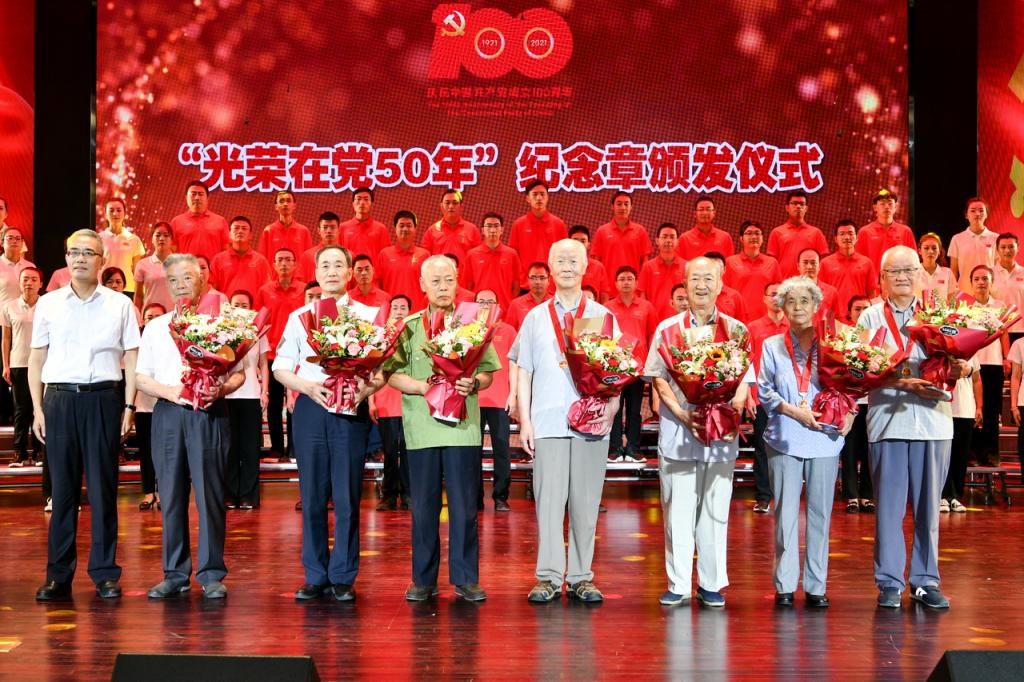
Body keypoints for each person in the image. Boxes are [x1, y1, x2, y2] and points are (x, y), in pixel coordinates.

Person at [30, 229, 140, 601]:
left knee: (103, 489)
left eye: (88, 253)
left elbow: (132, 357)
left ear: (102, 260)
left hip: (104, 400)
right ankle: (58, 575)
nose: (79, 258)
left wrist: (129, 405)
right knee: (62, 491)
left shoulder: (120, 304)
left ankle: (105, 573)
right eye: (73, 252)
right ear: (66, 258)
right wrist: (37, 408)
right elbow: (37, 358)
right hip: (59, 401)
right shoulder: (48, 303)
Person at [858, 245, 968, 610]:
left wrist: (962, 368)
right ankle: (889, 582)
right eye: (895, 271)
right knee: (888, 511)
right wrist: (904, 383)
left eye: (909, 270)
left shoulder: (941, 315)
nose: (903, 277)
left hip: (934, 423)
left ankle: (925, 580)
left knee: (928, 510)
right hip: (888, 422)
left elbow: (966, 361)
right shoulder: (870, 317)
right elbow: (861, 371)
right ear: (882, 278)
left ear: (921, 274)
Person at [384, 255, 499, 602]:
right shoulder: (409, 326)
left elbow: (488, 372)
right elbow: (391, 374)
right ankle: (423, 579)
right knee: (423, 507)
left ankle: (466, 578)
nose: (443, 287)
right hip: (422, 429)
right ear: (422, 285)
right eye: (435, 281)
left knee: (464, 507)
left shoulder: (472, 324)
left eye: (449, 280)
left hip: (463, 428)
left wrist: (474, 383)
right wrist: (422, 387)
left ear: (457, 280)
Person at [274, 244, 385, 602]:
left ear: (350, 273)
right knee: (312, 496)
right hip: (311, 407)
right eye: (325, 265)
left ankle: (343, 575)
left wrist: (364, 390)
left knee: (347, 494)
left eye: (339, 265)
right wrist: (307, 387)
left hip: (350, 409)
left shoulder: (368, 316)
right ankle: (315, 573)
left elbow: (383, 370)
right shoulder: (299, 317)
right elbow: (280, 367)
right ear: (316, 273)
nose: (332, 271)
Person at [511, 239, 619, 604]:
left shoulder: (603, 316)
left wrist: (611, 410)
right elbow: (524, 370)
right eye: (561, 260)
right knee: (549, 503)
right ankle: (548, 576)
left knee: (586, 505)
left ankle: (581, 576)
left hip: (591, 424)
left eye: (574, 260)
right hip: (548, 420)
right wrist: (525, 421)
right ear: (550, 268)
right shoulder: (535, 317)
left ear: (586, 266)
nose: (568, 266)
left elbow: (617, 371)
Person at [136, 254, 244, 600]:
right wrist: (170, 392)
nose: (180, 285)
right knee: (170, 495)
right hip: (169, 413)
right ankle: (174, 573)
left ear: (201, 281)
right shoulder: (156, 327)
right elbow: (141, 377)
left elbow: (239, 373)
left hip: (209, 413)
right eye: (173, 280)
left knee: (210, 494)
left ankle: (211, 573)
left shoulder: (221, 324)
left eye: (187, 278)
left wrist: (221, 389)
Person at [645, 257, 751, 608]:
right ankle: (677, 583)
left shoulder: (736, 330)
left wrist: (732, 411)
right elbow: (657, 377)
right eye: (695, 279)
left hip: (720, 433)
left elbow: (744, 381)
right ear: (684, 284)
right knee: (677, 509)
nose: (701, 285)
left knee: (715, 509)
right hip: (679, 429)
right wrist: (681, 413)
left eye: (708, 279)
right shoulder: (667, 328)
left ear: (720, 285)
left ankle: (711, 583)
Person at [758, 276, 851, 607]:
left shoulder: (833, 343)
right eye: (791, 301)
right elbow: (764, 391)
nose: (798, 307)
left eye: (804, 301)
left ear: (816, 306)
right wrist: (794, 412)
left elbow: (852, 385)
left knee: (820, 514)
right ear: (782, 308)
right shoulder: (771, 345)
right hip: (784, 435)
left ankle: (816, 585)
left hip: (825, 437)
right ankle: (784, 585)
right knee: (785, 514)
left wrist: (851, 415)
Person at [604, 265, 658, 463]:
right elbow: (603, 336)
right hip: (615, 368)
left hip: (638, 368)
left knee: (635, 410)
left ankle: (634, 448)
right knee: (615, 409)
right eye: (622, 279)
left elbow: (652, 335)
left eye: (629, 279)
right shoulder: (607, 307)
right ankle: (615, 448)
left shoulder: (647, 307)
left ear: (636, 283)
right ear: (616, 283)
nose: (626, 282)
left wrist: (651, 364)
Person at [258, 248, 306, 461]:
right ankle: (277, 447)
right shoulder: (264, 291)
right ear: (274, 265)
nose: (284, 263)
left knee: (297, 401)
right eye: (280, 260)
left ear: (295, 264)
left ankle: (295, 447)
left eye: (288, 259)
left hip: (299, 354)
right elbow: (260, 322)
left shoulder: (303, 290)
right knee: (275, 404)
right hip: (272, 354)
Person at [224, 290, 270, 510]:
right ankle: (230, 494)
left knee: (250, 448)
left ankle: (249, 496)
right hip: (227, 395)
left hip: (251, 394)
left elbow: (263, 363)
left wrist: (265, 391)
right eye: (236, 305)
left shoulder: (258, 331)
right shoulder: (221, 331)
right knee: (229, 448)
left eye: (244, 305)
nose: (240, 309)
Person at [745, 281, 788, 513]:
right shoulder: (753, 327)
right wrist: (749, 396)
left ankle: (785, 494)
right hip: (761, 397)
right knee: (762, 447)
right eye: (772, 294)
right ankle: (763, 496)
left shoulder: (793, 325)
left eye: (780, 294)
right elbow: (747, 363)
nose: (776, 298)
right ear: (764, 298)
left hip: (789, 397)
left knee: (787, 446)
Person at [475, 289, 516, 511]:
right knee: (473, 450)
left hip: (500, 400)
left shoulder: (508, 331)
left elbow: (515, 366)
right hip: (473, 398)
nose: (485, 305)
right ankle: (475, 497)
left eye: (490, 301)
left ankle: (501, 496)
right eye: (481, 301)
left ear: (498, 305)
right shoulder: (468, 330)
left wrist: (513, 394)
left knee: (502, 449)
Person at [372, 295, 412, 511]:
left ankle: (408, 495)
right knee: (389, 450)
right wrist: (371, 401)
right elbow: (371, 369)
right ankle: (388, 495)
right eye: (395, 307)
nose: (398, 311)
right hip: (385, 400)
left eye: (403, 307)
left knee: (407, 450)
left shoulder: (414, 334)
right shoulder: (380, 336)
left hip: (409, 399)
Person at [968, 265, 1008, 467]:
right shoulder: (965, 306)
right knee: (972, 408)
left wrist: (1006, 357)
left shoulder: (1000, 306)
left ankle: (992, 452)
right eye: (977, 279)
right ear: (971, 283)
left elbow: (1004, 333)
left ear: (992, 282)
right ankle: (972, 452)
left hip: (994, 362)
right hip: (973, 364)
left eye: (985, 279)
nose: (981, 283)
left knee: (992, 410)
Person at [3, 267, 42, 467]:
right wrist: (6, 365)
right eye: (25, 279)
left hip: (42, 364)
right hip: (19, 363)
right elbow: (6, 338)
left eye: (34, 279)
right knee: (21, 409)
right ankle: (19, 453)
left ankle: (39, 452)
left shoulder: (47, 305)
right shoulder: (9, 306)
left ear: (40, 284)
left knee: (39, 408)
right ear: (19, 283)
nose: (29, 283)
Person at [840, 295, 875, 512]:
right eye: (857, 309)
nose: (862, 313)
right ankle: (851, 496)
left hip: (873, 400)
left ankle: (868, 495)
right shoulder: (843, 338)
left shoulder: (879, 336)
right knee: (850, 449)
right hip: (850, 401)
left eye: (866, 308)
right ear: (850, 313)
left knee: (870, 448)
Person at [0, 225, 34, 425]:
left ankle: (19, 414)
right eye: (10, 238)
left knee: (18, 372)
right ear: (2, 242)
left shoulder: (28, 266)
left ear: (22, 244)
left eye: (18, 238)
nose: (14, 241)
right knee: (3, 369)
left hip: (23, 320)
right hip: (2, 321)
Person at [134, 302, 166, 510]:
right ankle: (148, 491)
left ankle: (163, 492)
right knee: (146, 451)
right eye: (149, 317)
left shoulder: (172, 341)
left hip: (165, 405)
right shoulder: (136, 344)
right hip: (143, 406)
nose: (153, 321)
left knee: (165, 452)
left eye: (158, 317)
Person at [508, 181, 567, 289]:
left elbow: (564, 256)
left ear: (547, 197)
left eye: (542, 194)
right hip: (525, 284)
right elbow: (513, 257)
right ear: (528, 198)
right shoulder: (518, 224)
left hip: (552, 285)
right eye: (535, 194)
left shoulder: (558, 224)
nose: (539, 198)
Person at [591, 191, 652, 291]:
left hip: (633, 289)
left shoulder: (640, 231)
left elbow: (645, 262)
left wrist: (641, 286)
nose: (623, 207)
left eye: (626, 204)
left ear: (631, 207)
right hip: (608, 289)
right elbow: (596, 263)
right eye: (619, 204)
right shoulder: (602, 231)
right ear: (612, 207)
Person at [943, 355, 981, 513]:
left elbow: (977, 380)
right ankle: (942, 496)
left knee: (960, 456)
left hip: (965, 410)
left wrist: (979, 407)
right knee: (944, 456)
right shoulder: (938, 351)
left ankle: (955, 496)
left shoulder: (971, 353)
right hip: (944, 409)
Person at [724, 221, 782, 322]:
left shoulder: (772, 263)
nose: (754, 236)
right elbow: (725, 293)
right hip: (738, 320)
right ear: (741, 239)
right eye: (749, 233)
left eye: (757, 233)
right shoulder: (730, 262)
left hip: (765, 320)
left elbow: (778, 293)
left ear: (762, 238)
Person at [462, 212, 521, 311]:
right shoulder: (471, 255)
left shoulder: (512, 254)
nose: (492, 230)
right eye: (489, 226)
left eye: (496, 226)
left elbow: (516, 286)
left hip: (504, 310)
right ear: (482, 230)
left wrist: (508, 303)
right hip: (479, 310)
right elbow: (467, 286)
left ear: (502, 230)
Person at [210, 216, 273, 306]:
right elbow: (212, 290)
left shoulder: (261, 261)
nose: (240, 231)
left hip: (252, 312)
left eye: (244, 228)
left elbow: (267, 292)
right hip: (226, 312)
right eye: (236, 228)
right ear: (229, 234)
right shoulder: (218, 260)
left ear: (250, 235)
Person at [378, 210, 431, 311]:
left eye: (409, 225)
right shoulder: (384, 254)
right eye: (401, 225)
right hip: (391, 313)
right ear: (395, 228)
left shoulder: (424, 255)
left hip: (417, 313)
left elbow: (430, 288)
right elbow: (378, 286)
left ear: (415, 229)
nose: (405, 229)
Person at [767, 191, 828, 277]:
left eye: (802, 204)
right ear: (787, 208)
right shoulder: (776, 232)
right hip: (784, 282)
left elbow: (823, 262)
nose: (798, 206)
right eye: (794, 203)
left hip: (809, 282)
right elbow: (772, 263)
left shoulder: (816, 233)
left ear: (806, 208)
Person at [819, 220, 878, 308]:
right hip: (834, 314)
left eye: (850, 233)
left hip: (860, 314)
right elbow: (821, 293)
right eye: (842, 234)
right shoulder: (825, 263)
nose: (847, 237)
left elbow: (871, 293)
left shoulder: (867, 263)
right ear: (835, 239)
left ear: (856, 238)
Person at [855, 189, 915, 271]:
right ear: (875, 207)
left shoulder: (905, 231)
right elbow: (858, 262)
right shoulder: (864, 232)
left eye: (890, 204)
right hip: (873, 279)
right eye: (882, 204)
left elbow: (913, 261)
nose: (887, 207)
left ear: (895, 207)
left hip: (899, 278)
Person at [170, 180, 230, 262]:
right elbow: (171, 252)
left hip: (212, 269)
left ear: (207, 198)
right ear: (186, 197)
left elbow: (226, 251)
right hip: (186, 269)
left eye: (200, 194)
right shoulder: (176, 222)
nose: (197, 198)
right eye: (193, 194)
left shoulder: (220, 221)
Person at [638, 223, 687, 321]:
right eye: (664, 237)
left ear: (677, 241)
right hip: (654, 321)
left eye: (672, 237)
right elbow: (642, 296)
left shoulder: (687, 266)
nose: (668, 240)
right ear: (657, 240)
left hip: (680, 321)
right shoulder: (648, 267)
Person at [948, 197, 998, 294]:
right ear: (966, 215)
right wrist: (953, 293)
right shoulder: (957, 238)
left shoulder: (995, 238)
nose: (977, 214)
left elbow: (997, 268)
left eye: (981, 211)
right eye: (973, 211)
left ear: (986, 214)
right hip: (964, 291)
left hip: (988, 291)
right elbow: (954, 270)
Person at [421, 189, 481, 264]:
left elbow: (478, 258)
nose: (451, 206)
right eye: (447, 203)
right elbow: (426, 260)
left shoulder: (472, 230)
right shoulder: (432, 231)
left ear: (461, 206)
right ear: (441, 206)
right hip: (439, 272)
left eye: (455, 203)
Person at [99, 197, 145, 295]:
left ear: (124, 213)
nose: (115, 214)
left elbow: (137, 272)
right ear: (106, 214)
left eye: (119, 210)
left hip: (127, 289)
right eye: (111, 210)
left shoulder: (134, 239)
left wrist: (140, 293)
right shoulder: (98, 239)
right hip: (104, 289)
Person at [258, 191, 312, 265]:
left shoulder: (303, 231)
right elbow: (262, 260)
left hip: (298, 273)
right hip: (274, 273)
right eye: (281, 201)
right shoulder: (268, 231)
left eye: (288, 201)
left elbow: (308, 259)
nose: (285, 204)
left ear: (294, 206)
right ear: (276, 206)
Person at [339, 187, 391, 263]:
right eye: (358, 199)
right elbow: (338, 254)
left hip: (373, 270)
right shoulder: (342, 228)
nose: (362, 203)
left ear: (372, 204)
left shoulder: (380, 229)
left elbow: (386, 256)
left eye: (366, 199)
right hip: (350, 270)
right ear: (353, 204)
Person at [134, 221, 175, 313]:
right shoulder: (142, 265)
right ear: (152, 239)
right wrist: (136, 316)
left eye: (166, 235)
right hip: (150, 316)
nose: (161, 238)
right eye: (158, 235)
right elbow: (138, 296)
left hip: (173, 317)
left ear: (172, 240)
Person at [991, 232, 1024, 345]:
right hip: (996, 331)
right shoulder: (989, 274)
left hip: (1021, 330)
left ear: (1018, 248)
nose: (1007, 250)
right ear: (997, 249)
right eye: (1003, 247)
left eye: (1011, 247)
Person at [677, 195, 734, 261]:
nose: (705, 213)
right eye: (701, 209)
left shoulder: (725, 238)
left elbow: (729, 264)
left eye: (708, 209)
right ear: (695, 214)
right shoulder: (684, 238)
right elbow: (680, 264)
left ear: (714, 213)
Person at [795, 249, 843, 322]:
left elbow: (839, 321)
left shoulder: (831, 292)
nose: (809, 267)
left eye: (813, 263)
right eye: (805, 262)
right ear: (798, 266)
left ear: (819, 266)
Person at [568, 225, 610, 301]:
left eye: (583, 241)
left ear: (589, 245)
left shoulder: (598, 267)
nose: (579, 244)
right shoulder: (559, 267)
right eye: (575, 241)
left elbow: (604, 297)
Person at [506, 263, 552, 330]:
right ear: (528, 280)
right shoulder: (516, 304)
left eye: (542, 278)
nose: (537, 282)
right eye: (533, 278)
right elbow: (509, 332)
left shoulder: (556, 303)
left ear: (549, 280)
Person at [298, 212, 341, 283]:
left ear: (339, 230)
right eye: (325, 227)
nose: (329, 231)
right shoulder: (307, 256)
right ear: (319, 230)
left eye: (333, 227)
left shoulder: (348, 255)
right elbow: (301, 284)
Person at [914, 232, 955, 305]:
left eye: (934, 248)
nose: (930, 251)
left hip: (942, 312)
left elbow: (952, 299)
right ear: (919, 251)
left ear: (939, 251)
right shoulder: (913, 272)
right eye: (926, 248)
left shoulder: (947, 273)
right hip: (918, 312)